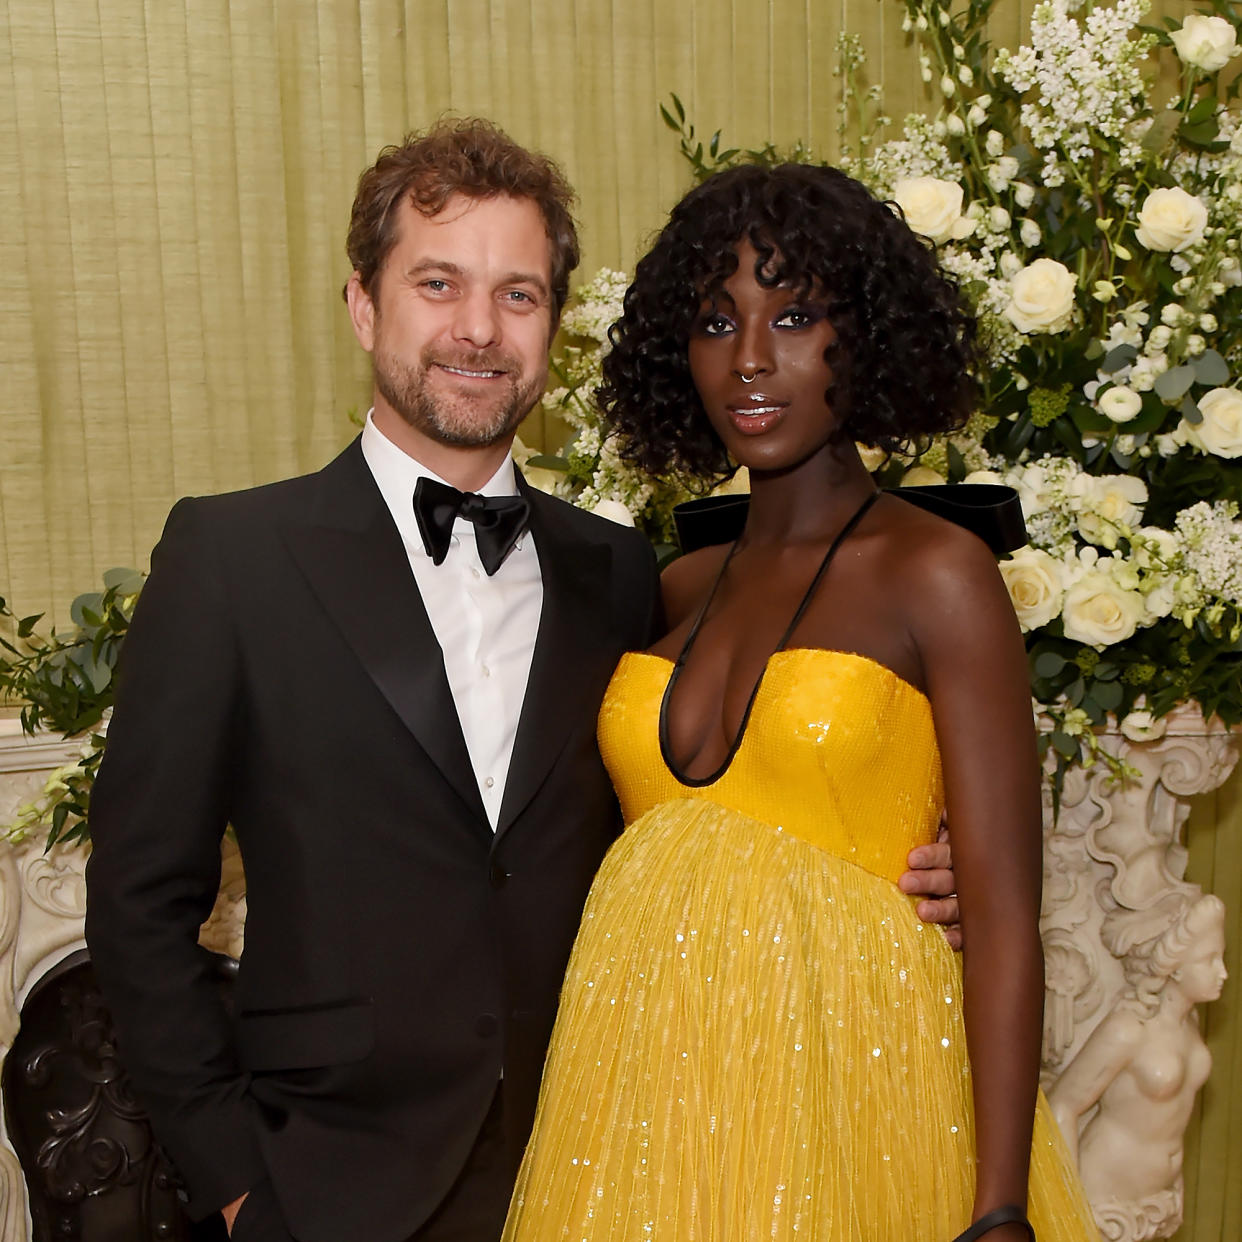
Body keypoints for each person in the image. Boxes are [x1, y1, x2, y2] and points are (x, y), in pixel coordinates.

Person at [83, 123, 961, 1242]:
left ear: (553, 324)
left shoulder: (624, 571)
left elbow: (705, 815)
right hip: (327, 1185)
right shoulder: (231, 558)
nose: (478, 332)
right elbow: (138, 901)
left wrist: (928, 872)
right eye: (438, 284)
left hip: (608, 1155)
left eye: (519, 294)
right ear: (363, 305)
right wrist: (239, 1180)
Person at [501, 163, 1098, 1242]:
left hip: (861, 1098)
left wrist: (1001, 1208)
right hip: (648, 1105)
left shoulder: (939, 573)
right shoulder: (670, 587)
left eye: (798, 315)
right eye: (717, 322)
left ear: (864, 339)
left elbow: (1006, 918)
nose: (752, 360)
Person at [1048, 894, 1227, 1236]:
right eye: (1210, 959)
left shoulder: (1189, 1023)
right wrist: (1066, 1202)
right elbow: (1062, 1105)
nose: (1223, 972)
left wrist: (1176, 1184)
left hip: (1157, 1201)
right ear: (1174, 966)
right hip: (1103, 1195)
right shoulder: (1128, 1029)